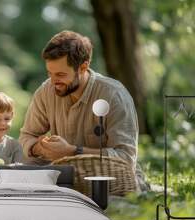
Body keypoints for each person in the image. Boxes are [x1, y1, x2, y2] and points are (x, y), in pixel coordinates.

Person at [19, 30, 146, 190]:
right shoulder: (46, 91)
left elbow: (126, 158)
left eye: (60, 74)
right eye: (49, 73)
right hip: (65, 182)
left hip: (112, 185)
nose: (53, 81)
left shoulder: (114, 95)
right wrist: (41, 148)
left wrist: (72, 152)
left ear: (83, 67)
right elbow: (27, 136)